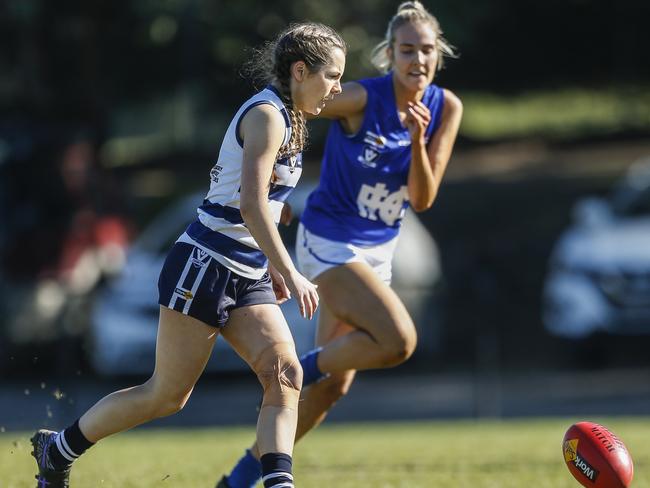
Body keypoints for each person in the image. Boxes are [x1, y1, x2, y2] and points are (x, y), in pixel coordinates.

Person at [30, 22, 346, 488]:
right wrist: (289, 270)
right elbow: (250, 204)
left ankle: (279, 484)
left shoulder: (292, 118)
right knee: (166, 395)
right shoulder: (268, 116)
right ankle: (59, 450)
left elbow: (265, 206)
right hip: (204, 266)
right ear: (300, 71)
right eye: (332, 75)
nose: (337, 88)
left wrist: (269, 261)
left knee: (285, 375)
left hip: (246, 271)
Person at [218, 2, 463, 487]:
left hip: (378, 250)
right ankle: (297, 368)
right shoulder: (360, 98)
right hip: (330, 240)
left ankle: (240, 479)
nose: (418, 59)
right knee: (398, 342)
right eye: (407, 49)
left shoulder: (444, 107)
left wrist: (416, 140)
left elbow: (423, 197)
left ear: (439, 55)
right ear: (389, 54)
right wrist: (266, 176)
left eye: (427, 50)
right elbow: (300, 100)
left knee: (331, 390)